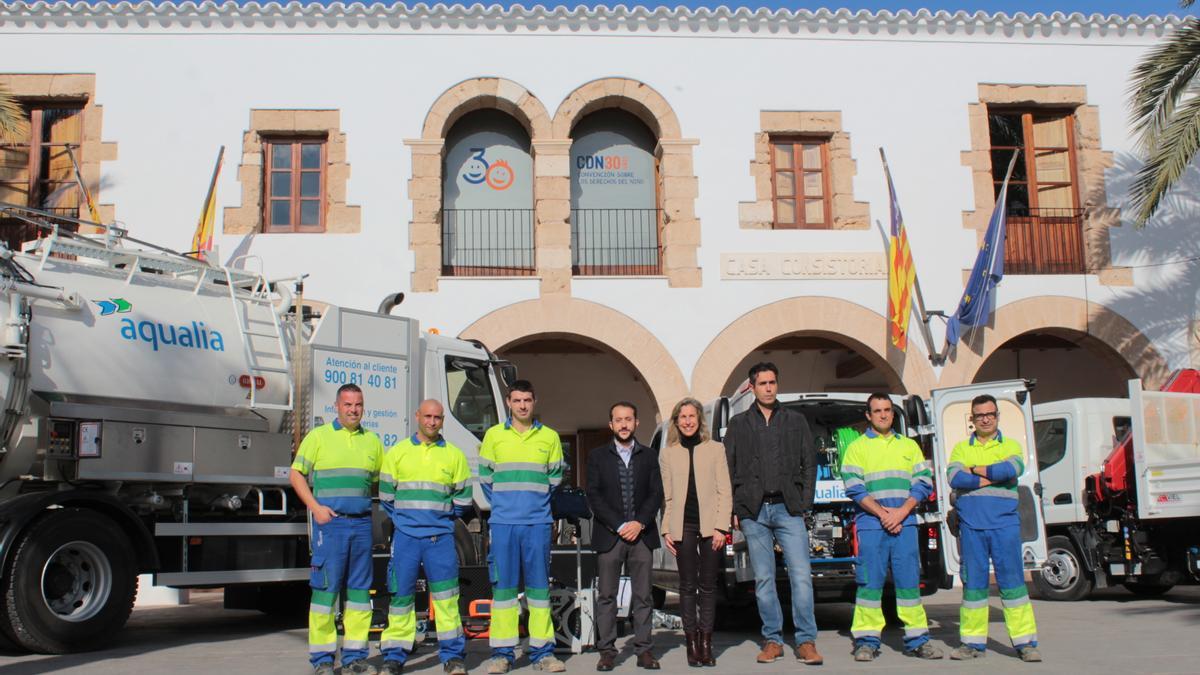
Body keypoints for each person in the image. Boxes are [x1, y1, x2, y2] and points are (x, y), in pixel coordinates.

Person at [723, 362, 822, 666]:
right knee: (764, 578)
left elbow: (809, 462)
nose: (768, 387)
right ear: (751, 387)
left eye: (772, 382)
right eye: (762, 383)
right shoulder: (739, 424)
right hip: (753, 511)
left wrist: (804, 503)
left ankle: (806, 641)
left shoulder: (795, 420)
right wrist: (735, 509)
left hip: (788, 508)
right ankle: (773, 640)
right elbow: (728, 467)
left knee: (802, 576)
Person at [840, 393, 942, 662]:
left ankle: (918, 640)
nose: (883, 415)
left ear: (893, 414)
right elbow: (854, 487)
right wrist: (885, 514)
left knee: (909, 584)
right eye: (877, 411)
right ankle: (867, 641)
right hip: (872, 525)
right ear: (868, 415)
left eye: (887, 410)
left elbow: (923, 482)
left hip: (905, 523)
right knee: (869, 585)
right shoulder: (857, 448)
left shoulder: (909, 446)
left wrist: (901, 512)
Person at [289, 383, 384, 675]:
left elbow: (378, 482)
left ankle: (356, 657)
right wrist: (316, 508)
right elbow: (296, 474)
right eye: (348, 405)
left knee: (358, 595)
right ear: (336, 407)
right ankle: (323, 661)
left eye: (358, 405)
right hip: (331, 526)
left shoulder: (372, 441)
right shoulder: (318, 437)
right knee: (325, 593)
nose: (353, 410)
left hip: (361, 524)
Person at [478, 380, 568, 673]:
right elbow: (486, 479)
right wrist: (507, 506)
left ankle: (543, 653)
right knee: (503, 591)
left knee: (539, 590)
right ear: (508, 402)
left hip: (537, 524)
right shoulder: (493, 436)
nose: (522, 405)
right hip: (504, 524)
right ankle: (502, 654)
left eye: (527, 400)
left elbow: (555, 480)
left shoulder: (551, 437)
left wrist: (533, 504)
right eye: (517, 400)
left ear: (535, 401)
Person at [378, 400, 473, 675]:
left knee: (446, 600)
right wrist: (408, 521)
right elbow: (386, 496)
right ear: (417, 416)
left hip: (441, 538)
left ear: (443, 420)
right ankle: (394, 656)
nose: (432, 422)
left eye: (437, 418)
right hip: (406, 537)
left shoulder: (454, 455)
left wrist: (439, 520)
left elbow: (463, 501)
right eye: (427, 416)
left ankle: (453, 657)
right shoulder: (398, 452)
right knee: (401, 598)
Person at [947, 394, 1042, 662]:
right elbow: (954, 476)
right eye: (979, 415)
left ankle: (1026, 644)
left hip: (1004, 526)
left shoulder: (1011, 445)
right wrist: (992, 476)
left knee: (1013, 586)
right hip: (972, 528)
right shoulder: (959, 448)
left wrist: (975, 470)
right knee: (974, 589)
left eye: (990, 414)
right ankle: (972, 644)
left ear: (997, 416)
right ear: (972, 419)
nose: (985, 419)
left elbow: (1012, 470)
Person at [586, 401, 664, 671]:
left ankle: (644, 651)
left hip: (642, 536)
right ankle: (607, 651)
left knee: (644, 596)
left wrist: (639, 523)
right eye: (618, 420)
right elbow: (594, 495)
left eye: (628, 419)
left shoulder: (650, 456)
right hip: (610, 536)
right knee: (606, 596)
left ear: (636, 423)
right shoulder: (597, 456)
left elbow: (656, 493)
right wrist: (620, 525)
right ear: (611, 424)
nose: (623, 424)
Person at [660, 397, 732, 668]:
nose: (688, 421)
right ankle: (691, 643)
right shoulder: (668, 453)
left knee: (708, 586)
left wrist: (721, 527)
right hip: (683, 526)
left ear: (699, 420)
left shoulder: (715, 449)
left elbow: (725, 490)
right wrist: (666, 528)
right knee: (687, 586)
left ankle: (706, 643)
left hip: (711, 525)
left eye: (692, 416)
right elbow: (667, 497)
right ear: (676, 422)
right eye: (683, 417)